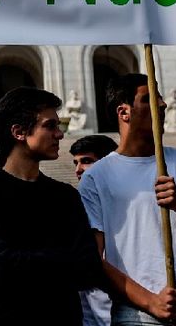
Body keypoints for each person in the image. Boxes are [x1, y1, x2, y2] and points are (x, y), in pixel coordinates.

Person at [78, 73, 176, 325]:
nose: (162, 104)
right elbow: (93, 260)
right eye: (149, 98)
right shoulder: (96, 178)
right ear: (124, 112)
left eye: (159, 96)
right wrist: (150, 301)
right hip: (139, 315)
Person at [0, 87, 102, 325]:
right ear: (19, 132)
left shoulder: (65, 195)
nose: (60, 134)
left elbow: (89, 269)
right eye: (50, 126)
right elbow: (0, 271)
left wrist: (23, 260)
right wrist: (64, 258)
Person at [70, 133, 120, 326]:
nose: (78, 170)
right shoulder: (75, 203)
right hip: (90, 306)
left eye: (86, 161)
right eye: (76, 162)